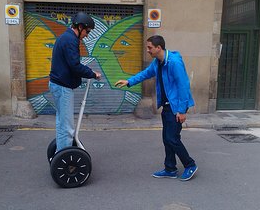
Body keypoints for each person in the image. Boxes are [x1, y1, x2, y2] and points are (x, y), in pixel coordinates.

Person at [115, 35, 197, 181]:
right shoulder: (157, 62)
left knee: (172, 138)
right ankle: (170, 168)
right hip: (166, 106)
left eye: (150, 47)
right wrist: (129, 81)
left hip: (176, 107)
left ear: (158, 48)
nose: (148, 50)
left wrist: (182, 110)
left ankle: (190, 164)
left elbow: (183, 86)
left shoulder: (174, 63)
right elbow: (145, 74)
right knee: (167, 139)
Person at [49, 12, 101, 152]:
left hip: (58, 85)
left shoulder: (65, 37)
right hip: (62, 87)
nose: (87, 35)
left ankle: (60, 152)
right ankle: (66, 160)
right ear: (80, 27)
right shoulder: (70, 40)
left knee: (62, 123)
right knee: (67, 127)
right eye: (87, 31)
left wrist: (86, 70)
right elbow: (75, 66)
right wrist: (92, 74)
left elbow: (71, 64)